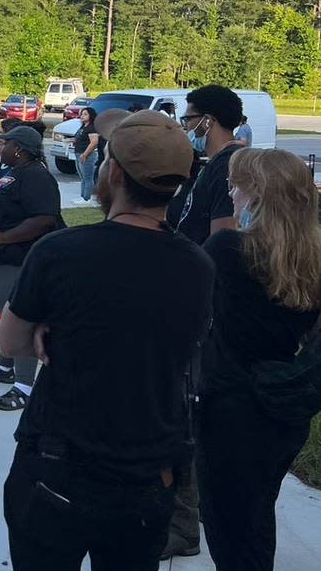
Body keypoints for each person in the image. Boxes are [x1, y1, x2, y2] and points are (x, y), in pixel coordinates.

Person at [0, 109, 213, 571]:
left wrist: (44, 329)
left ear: (112, 171)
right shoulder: (197, 265)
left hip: (59, 467)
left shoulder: (60, 252)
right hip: (148, 475)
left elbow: (10, 342)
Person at [197, 148, 321, 571]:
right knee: (255, 512)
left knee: (230, 527)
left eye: (236, 185)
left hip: (230, 404)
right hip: (283, 406)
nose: (230, 193)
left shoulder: (229, 249)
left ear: (256, 194)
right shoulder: (313, 258)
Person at [165, 84, 245, 558]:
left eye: (189, 118)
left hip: (202, 306)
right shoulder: (213, 165)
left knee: (184, 415)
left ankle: (182, 526)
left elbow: (223, 244)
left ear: (208, 120)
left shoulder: (230, 167)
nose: (185, 126)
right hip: (193, 297)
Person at [0, 125, 63, 410]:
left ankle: (24, 385)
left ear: (19, 148)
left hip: (14, 259)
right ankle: (4, 366)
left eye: (6, 143)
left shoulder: (37, 177)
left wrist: (3, 238)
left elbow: (44, 218)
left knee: (21, 319)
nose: (2, 146)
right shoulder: (17, 172)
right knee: (6, 312)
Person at [72, 106, 100, 204]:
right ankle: (83, 196)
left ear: (91, 116)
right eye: (82, 114)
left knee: (88, 177)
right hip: (78, 153)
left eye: (85, 114)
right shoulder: (83, 127)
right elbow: (80, 138)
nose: (82, 116)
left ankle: (87, 198)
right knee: (82, 177)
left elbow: (94, 142)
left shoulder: (92, 128)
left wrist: (85, 154)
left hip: (87, 155)